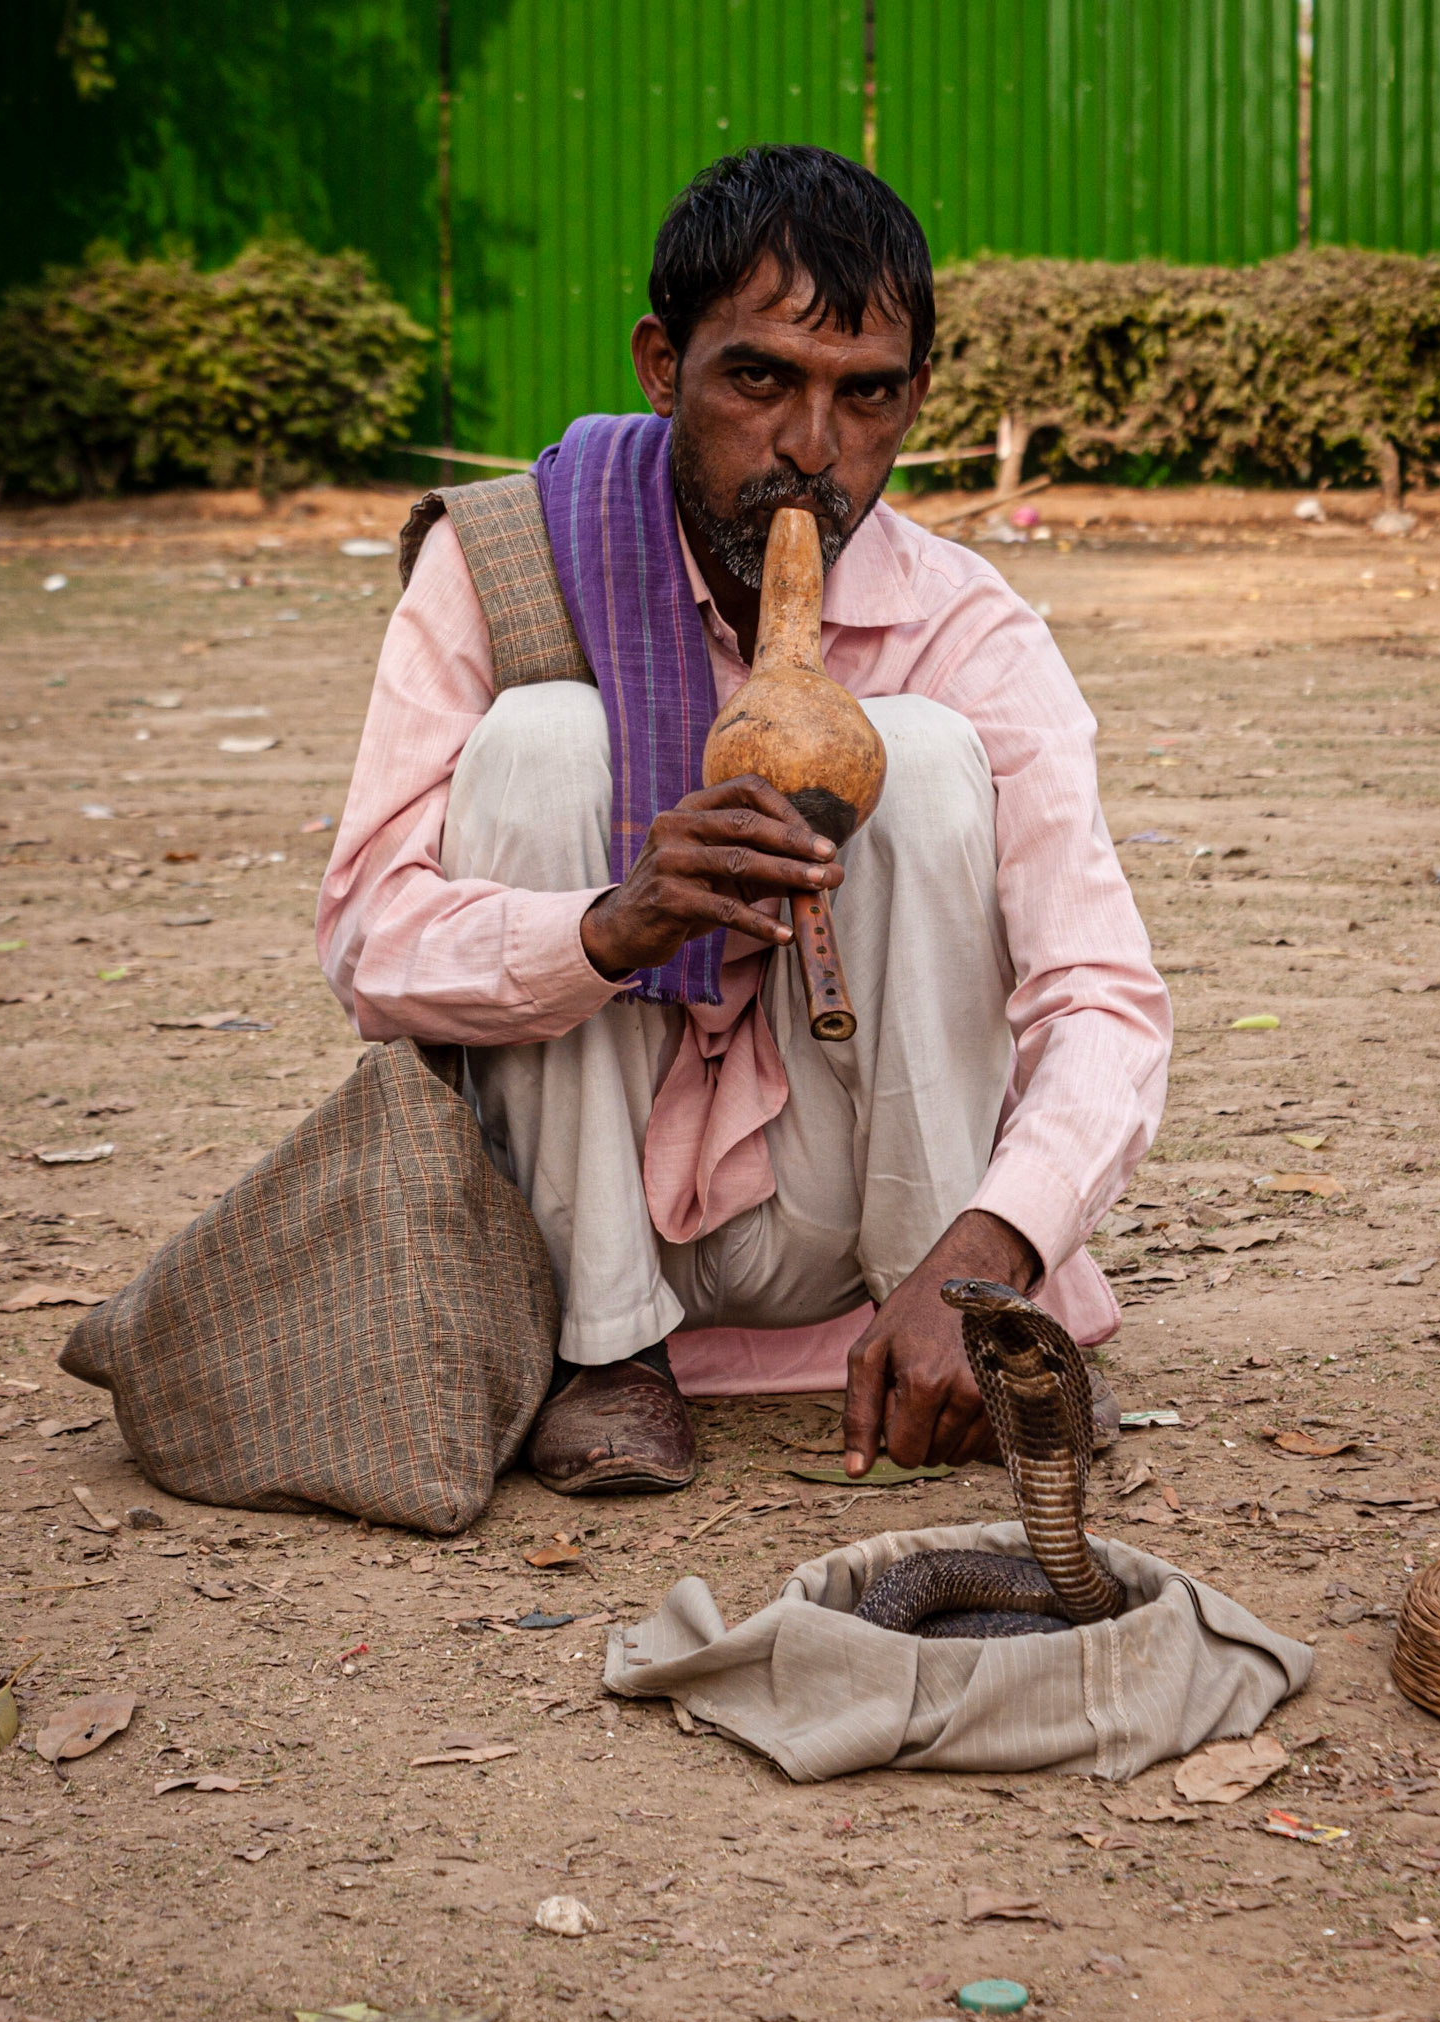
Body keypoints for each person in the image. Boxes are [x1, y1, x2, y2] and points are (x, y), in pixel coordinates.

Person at [318, 145, 1172, 1498]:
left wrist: (992, 1250)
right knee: (544, 739)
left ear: (914, 399)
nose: (811, 449)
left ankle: (942, 1333)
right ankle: (608, 1357)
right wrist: (609, 926)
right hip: (555, 1228)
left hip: (849, 1224)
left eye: (864, 394)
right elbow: (367, 944)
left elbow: (1103, 1000)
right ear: (666, 369)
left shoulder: (963, 625)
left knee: (924, 755)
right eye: (759, 379)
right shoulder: (498, 563)